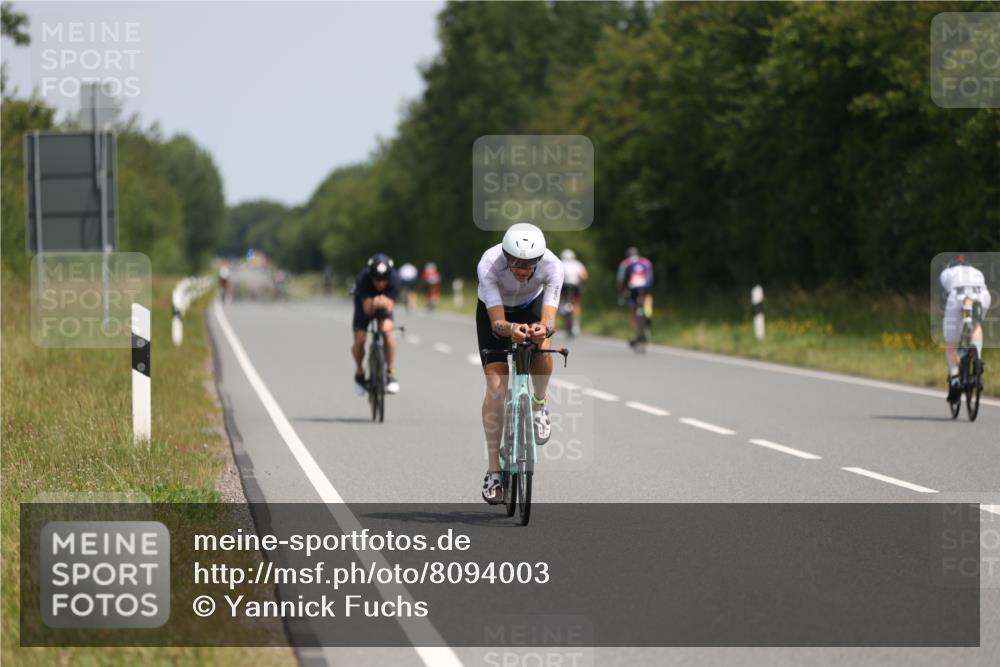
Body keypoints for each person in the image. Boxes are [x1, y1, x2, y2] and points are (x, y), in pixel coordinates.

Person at [476, 223, 564, 504]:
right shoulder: (489, 264)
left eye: (529, 265)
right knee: (496, 386)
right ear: (505, 255)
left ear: (539, 260)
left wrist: (543, 329)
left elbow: (549, 318)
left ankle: (539, 404)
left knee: (543, 347)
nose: (522, 270)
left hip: (531, 305)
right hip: (496, 311)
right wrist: (509, 329)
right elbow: (497, 322)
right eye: (515, 263)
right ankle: (493, 470)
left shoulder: (553, 266)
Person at [940, 254, 991, 403]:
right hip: (981, 295)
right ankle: (977, 357)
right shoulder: (976, 271)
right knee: (975, 325)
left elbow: (942, 302)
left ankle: (955, 379)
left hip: (958, 296)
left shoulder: (946, 273)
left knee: (951, 344)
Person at [351, 253, 401, 395]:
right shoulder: (362, 279)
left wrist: (383, 302)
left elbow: (390, 305)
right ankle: (359, 371)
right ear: (370, 276)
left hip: (384, 306)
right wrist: (375, 302)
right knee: (360, 339)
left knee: (387, 331)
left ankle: (390, 373)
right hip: (364, 305)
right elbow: (367, 309)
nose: (380, 283)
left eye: (384, 280)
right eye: (377, 279)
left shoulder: (395, 279)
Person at [616, 247, 654, 346]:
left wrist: (621, 293)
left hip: (632, 287)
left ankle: (636, 331)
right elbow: (650, 275)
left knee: (632, 309)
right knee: (647, 299)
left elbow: (620, 280)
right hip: (645, 286)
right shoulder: (646, 261)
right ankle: (648, 314)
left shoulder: (625, 263)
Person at [559, 249, 588, 337]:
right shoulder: (578, 264)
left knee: (561, 300)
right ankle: (576, 325)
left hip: (564, 286)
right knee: (576, 304)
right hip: (575, 286)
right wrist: (582, 283)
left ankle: (562, 309)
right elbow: (584, 276)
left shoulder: (560, 263)